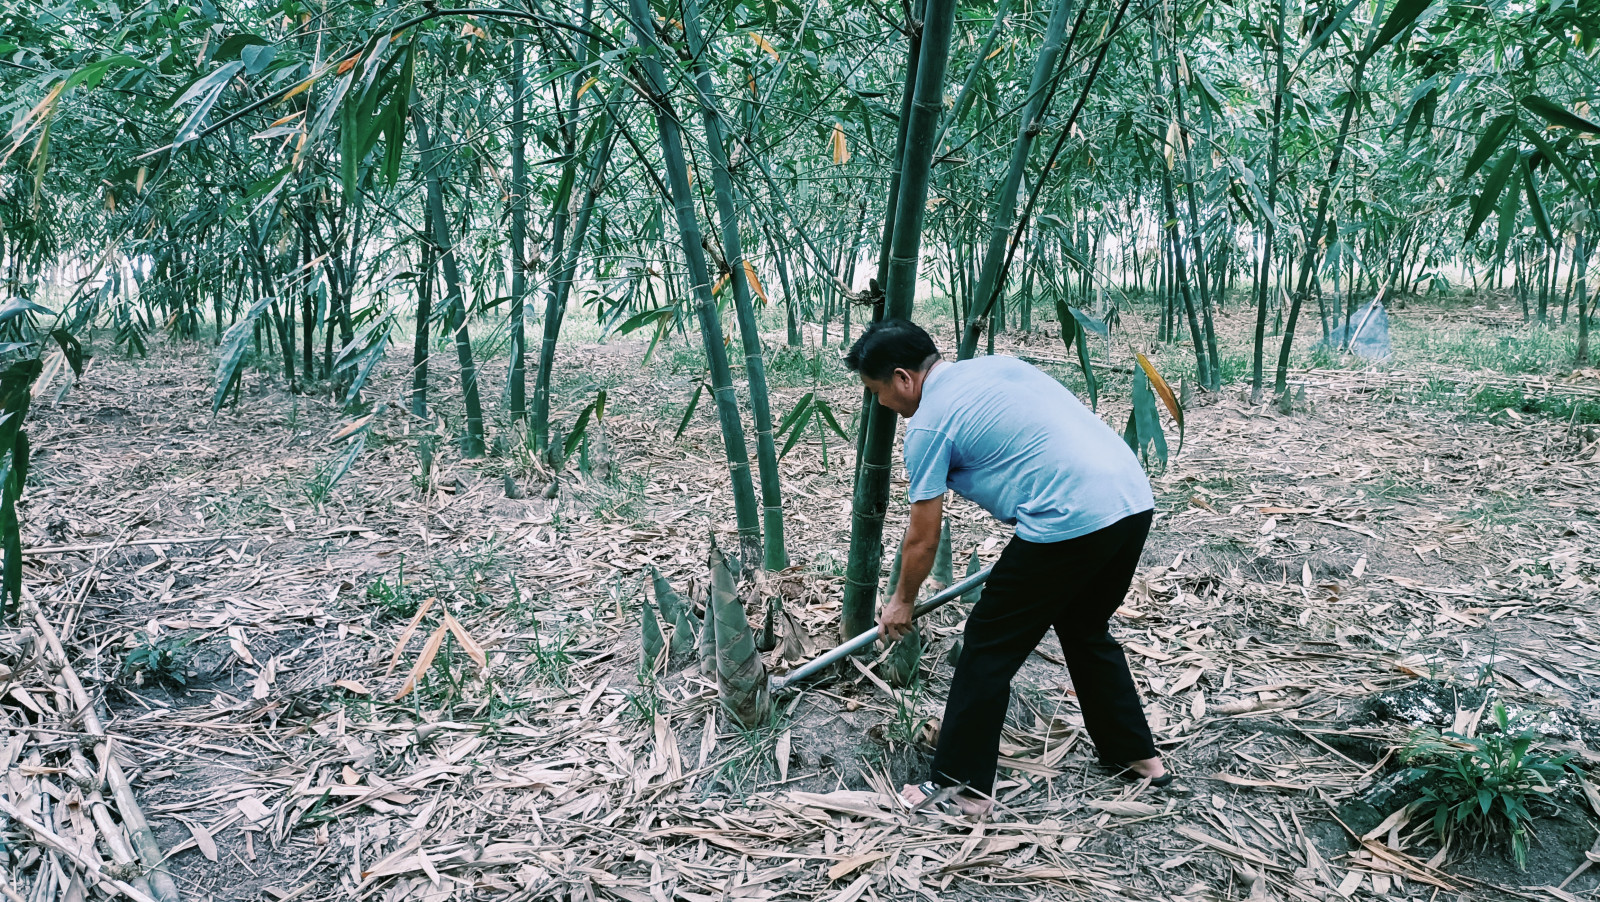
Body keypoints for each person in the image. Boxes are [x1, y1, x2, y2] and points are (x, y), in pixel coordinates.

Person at [844, 319, 1167, 818]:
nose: (882, 404)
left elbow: (923, 536)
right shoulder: (997, 367)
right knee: (1085, 629)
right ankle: (1138, 757)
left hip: (1069, 517)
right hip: (1130, 499)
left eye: (878, 391)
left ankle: (962, 786)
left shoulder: (928, 423)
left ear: (904, 378)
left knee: (987, 649)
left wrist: (902, 601)